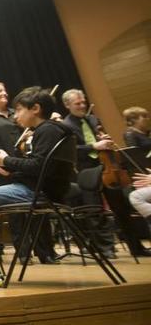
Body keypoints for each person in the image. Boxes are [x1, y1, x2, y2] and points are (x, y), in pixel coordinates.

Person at [0, 87, 72, 288]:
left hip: (38, 192)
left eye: (18, 110)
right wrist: (11, 170)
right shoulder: (50, 129)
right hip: (38, 188)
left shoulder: (48, 129)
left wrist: (5, 160)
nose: (15, 116)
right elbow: (40, 167)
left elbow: (38, 166)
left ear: (35, 108)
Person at [61, 90, 151, 257]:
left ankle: (136, 247)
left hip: (108, 167)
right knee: (96, 211)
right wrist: (94, 146)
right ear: (67, 105)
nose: (82, 106)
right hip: (87, 170)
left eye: (83, 102)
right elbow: (70, 149)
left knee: (121, 208)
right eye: (77, 104)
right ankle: (106, 249)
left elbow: (100, 139)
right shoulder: (65, 125)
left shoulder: (94, 119)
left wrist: (105, 140)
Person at [0, 81, 58, 264]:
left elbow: (37, 130)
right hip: (3, 165)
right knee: (14, 211)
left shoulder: (18, 113)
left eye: (5, 89)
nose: (5, 93)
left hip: (27, 162)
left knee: (36, 206)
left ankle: (45, 252)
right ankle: (23, 252)